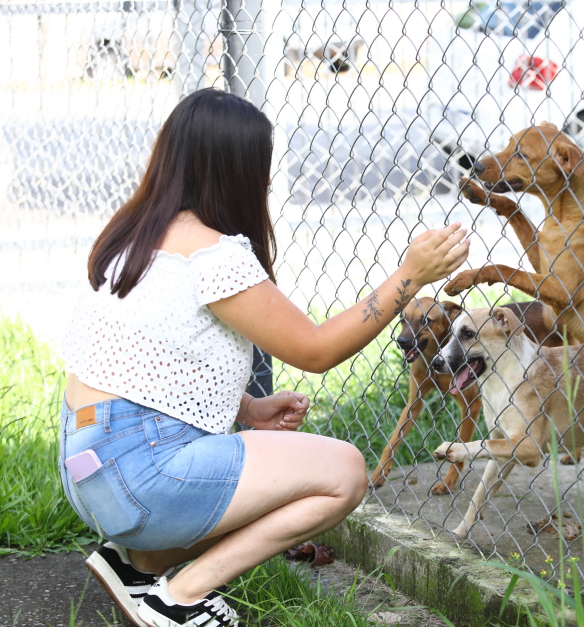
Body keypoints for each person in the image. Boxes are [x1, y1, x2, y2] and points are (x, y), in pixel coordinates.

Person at [58, 88, 470, 627]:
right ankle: (180, 596)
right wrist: (409, 275)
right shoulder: (214, 254)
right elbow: (316, 350)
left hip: (89, 470)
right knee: (345, 471)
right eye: (260, 167)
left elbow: (149, 361)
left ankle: (139, 565)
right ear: (231, 171)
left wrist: (248, 410)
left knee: (276, 461)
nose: (268, 182)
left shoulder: (135, 238)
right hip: (141, 477)